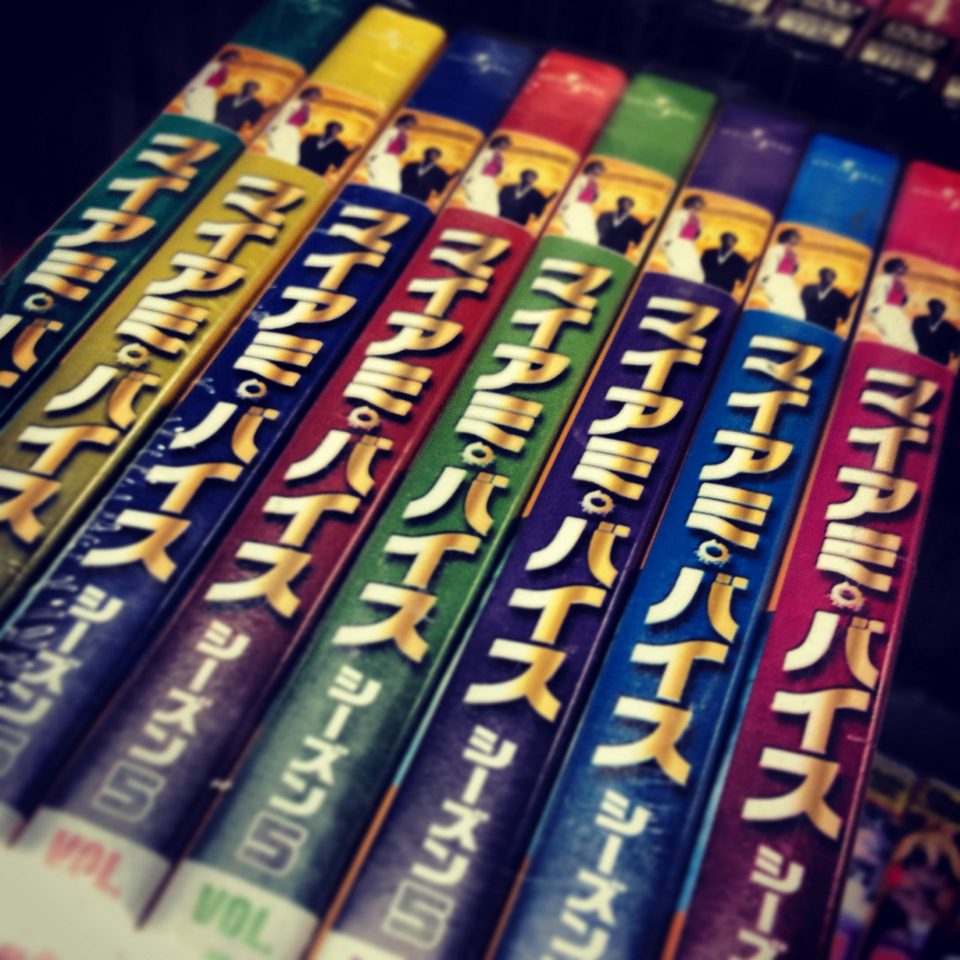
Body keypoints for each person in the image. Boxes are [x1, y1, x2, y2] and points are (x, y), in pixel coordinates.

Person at [866, 258, 918, 352]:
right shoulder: (883, 279)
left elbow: (903, 301)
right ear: (894, 267)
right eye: (901, 266)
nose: (904, 268)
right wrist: (877, 314)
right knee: (892, 340)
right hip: (885, 312)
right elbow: (876, 299)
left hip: (898, 313)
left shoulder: (902, 283)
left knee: (909, 345)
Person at [265, 86, 321, 165]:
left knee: (292, 154)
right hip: (282, 127)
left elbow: (304, 121)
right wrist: (274, 126)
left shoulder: (309, 107)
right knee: (277, 149)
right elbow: (280, 111)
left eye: (318, 95)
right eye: (315, 94)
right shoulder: (294, 102)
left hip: (293, 130)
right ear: (308, 93)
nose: (316, 96)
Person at [183, 48, 239, 123]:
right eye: (234, 57)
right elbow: (201, 77)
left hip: (210, 91)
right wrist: (191, 90)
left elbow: (220, 83)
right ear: (228, 56)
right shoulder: (214, 65)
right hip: (200, 89)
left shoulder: (225, 68)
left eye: (236, 58)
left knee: (207, 114)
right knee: (195, 110)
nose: (235, 59)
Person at [759, 227, 804, 318]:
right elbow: (768, 268)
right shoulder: (776, 249)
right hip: (775, 280)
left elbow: (793, 271)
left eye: (798, 237)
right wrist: (766, 284)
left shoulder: (794, 253)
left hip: (787, 282)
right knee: (777, 307)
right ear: (786, 237)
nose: (798, 238)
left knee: (796, 313)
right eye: (795, 236)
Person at [365, 114, 418, 192]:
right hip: (382, 157)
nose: (412, 124)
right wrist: (373, 157)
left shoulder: (406, 135)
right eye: (411, 121)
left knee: (394, 185)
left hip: (392, 159)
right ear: (404, 121)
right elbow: (380, 144)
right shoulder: (391, 131)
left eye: (413, 122)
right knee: (379, 180)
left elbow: (403, 149)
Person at [660, 194, 706, 282]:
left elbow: (696, 235)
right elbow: (671, 231)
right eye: (699, 202)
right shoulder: (679, 214)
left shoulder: (698, 219)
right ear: (690, 202)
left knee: (697, 274)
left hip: (688, 245)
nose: (702, 204)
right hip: (676, 244)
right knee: (680, 270)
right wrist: (668, 245)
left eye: (702, 203)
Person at [463, 134, 511, 215]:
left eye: (508, 143)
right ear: (498, 142)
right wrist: (469, 182)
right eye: (505, 142)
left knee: (491, 208)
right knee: (476, 203)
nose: (507, 144)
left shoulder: (501, 157)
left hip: (489, 181)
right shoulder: (486, 153)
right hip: (479, 179)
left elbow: (499, 172)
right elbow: (476, 167)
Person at [559, 160, 604, 244]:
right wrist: (565, 208)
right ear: (591, 168)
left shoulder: (597, 183)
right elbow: (571, 193)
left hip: (586, 208)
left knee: (589, 233)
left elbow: (594, 198)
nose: (600, 170)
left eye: (601, 169)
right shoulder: (580, 179)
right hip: (575, 206)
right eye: (599, 168)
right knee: (574, 229)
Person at [801, 267, 858, 332]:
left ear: (834, 279)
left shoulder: (840, 297)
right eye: (825, 275)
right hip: (806, 327)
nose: (827, 278)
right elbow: (799, 305)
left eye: (830, 276)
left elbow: (844, 313)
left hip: (826, 331)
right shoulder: (808, 289)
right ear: (820, 276)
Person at [913, 299, 960, 365]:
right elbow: (911, 337)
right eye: (934, 307)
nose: (936, 310)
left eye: (939, 308)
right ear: (930, 308)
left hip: (938, 363)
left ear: (943, 311)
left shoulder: (950, 329)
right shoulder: (919, 321)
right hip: (919, 359)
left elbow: (955, 349)